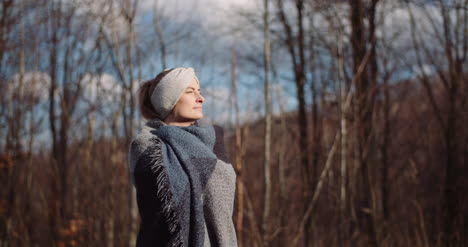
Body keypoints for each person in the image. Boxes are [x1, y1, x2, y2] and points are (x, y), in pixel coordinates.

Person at [128, 67, 238, 247]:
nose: (200, 98)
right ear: (169, 100)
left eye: (199, 91)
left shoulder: (214, 141)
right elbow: (158, 217)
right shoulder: (147, 147)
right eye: (190, 91)